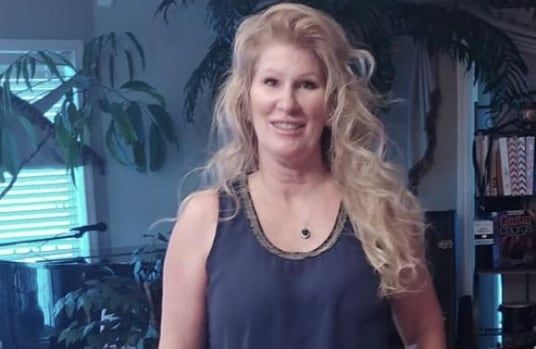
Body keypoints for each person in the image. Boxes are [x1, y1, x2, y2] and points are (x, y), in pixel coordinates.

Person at [159, 3, 446, 348]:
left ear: (332, 103)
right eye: (271, 82)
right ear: (246, 99)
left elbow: (425, 331)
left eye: (307, 84)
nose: (287, 103)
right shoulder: (203, 220)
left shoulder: (380, 212)